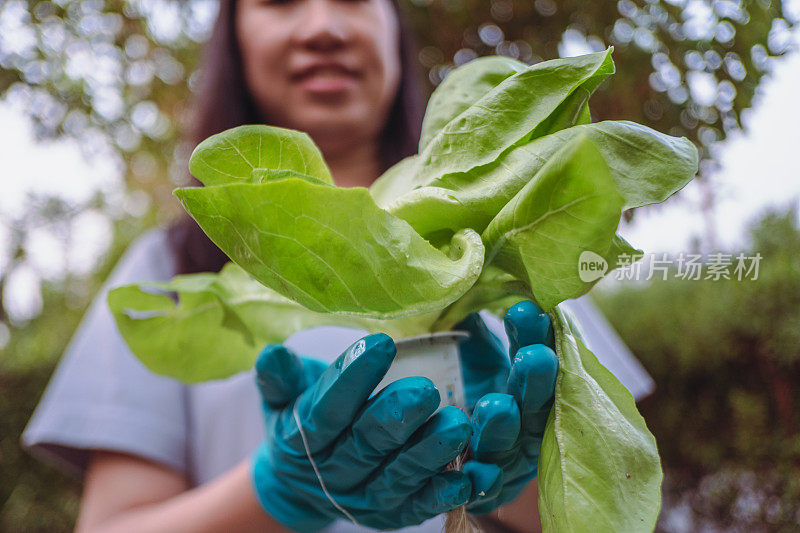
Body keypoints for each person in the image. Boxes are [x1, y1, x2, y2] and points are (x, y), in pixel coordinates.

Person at [22, 0, 655, 531]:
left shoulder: (514, 237)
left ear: (393, 28)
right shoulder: (170, 267)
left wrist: (508, 475)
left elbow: (615, 495)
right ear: (235, 39)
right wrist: (282, 486)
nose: (323, 24)